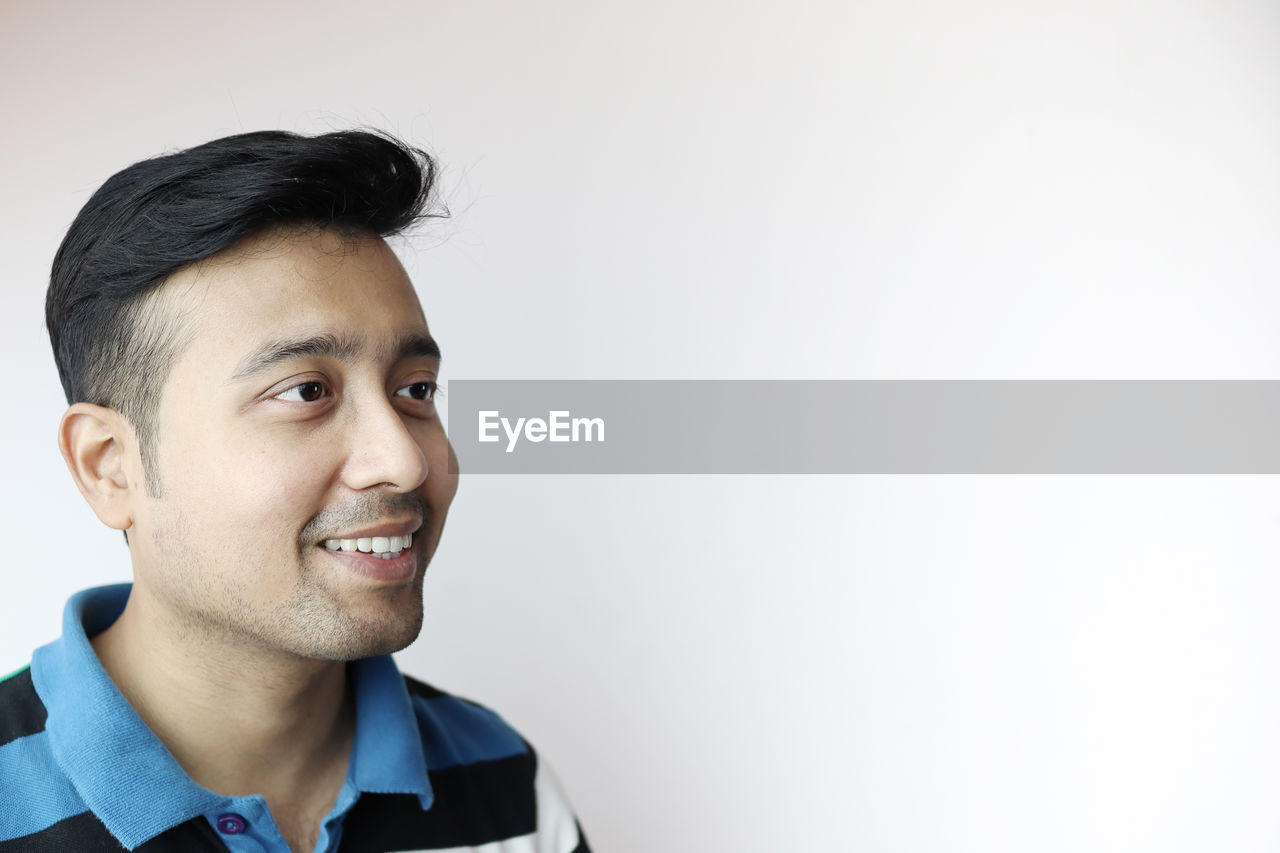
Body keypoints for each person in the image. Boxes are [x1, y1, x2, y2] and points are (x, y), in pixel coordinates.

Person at [0, 130, 591, 853]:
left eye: (415, 390)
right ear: (109, 465)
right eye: (307, 390)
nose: (404, 460)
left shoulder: (507, 784)